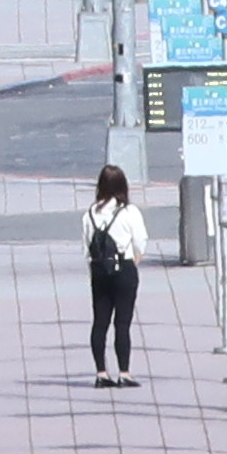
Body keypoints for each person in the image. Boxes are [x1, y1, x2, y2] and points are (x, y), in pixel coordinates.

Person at [83, 163, 147, 382]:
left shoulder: (90, 213)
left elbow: (86, 247)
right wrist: (134, 260)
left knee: (100, 321)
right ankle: (124, 373)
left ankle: (101, 372)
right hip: (124, 268)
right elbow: (141, 242)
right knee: (122, 322)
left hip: (99, 270)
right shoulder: (129, 212)